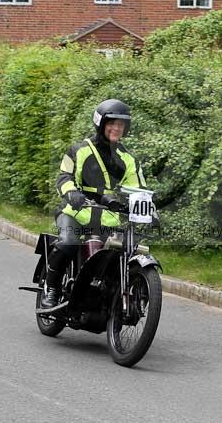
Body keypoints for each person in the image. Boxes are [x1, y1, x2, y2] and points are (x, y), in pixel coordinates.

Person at [41, 99, 147, 309]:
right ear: (101, 124)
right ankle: (52, 289)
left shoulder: (128, 159)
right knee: (68, 242)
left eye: (121, 125)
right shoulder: (79, 150)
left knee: (127, 252)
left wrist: (144, 206)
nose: (117, 128)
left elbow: (139, 189)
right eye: (112, 123)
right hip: (75, 212)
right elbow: (64, 177)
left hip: (108, 217)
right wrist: (72, 193)